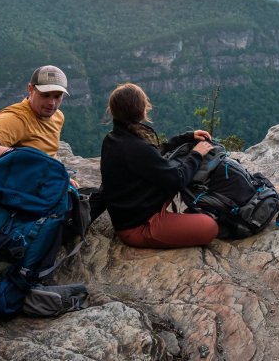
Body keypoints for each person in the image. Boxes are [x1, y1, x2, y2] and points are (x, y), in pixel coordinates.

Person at [86, 82, 220, 249]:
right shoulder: (136, 147)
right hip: (139, 226)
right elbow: (177, 180)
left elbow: (152, 154)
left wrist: (186, 137)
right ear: (142, 110)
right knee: (210, 227)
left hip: (137, 208)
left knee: (177, 163)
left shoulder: (113, 139)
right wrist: (197, 154)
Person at [0, 65, 70, 201]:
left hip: (32, 184)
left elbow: (49, 152)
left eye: (57, 96)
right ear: (31, 89)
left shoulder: (57, 116)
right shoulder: (16, 118)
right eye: (45, 95)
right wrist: (28, 159)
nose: (52, 103)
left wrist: (59, 177)